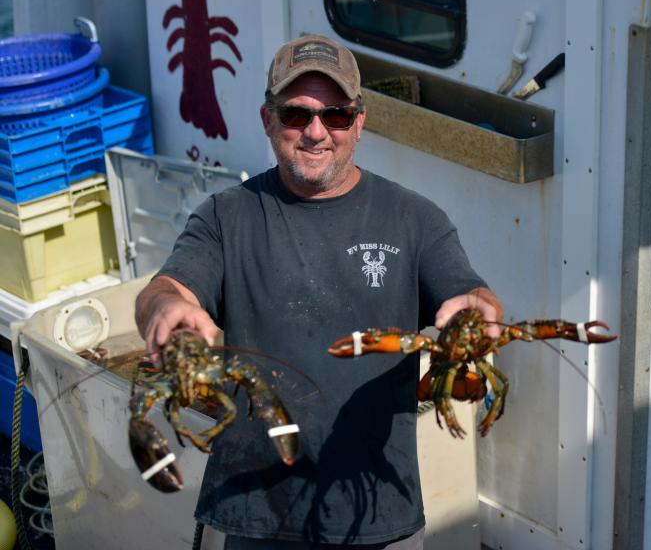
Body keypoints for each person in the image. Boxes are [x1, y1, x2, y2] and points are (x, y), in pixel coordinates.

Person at [135, 34, 502, 549]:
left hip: (374, 510)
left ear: (359, 121)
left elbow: (470, 294)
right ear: (267, 119)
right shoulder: (227, 215)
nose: (315, 132)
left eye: (335, 115)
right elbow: (166, 287)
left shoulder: (415, 219)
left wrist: (478, 308)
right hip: (258, 512)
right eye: (294, 114)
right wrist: (165, 306)